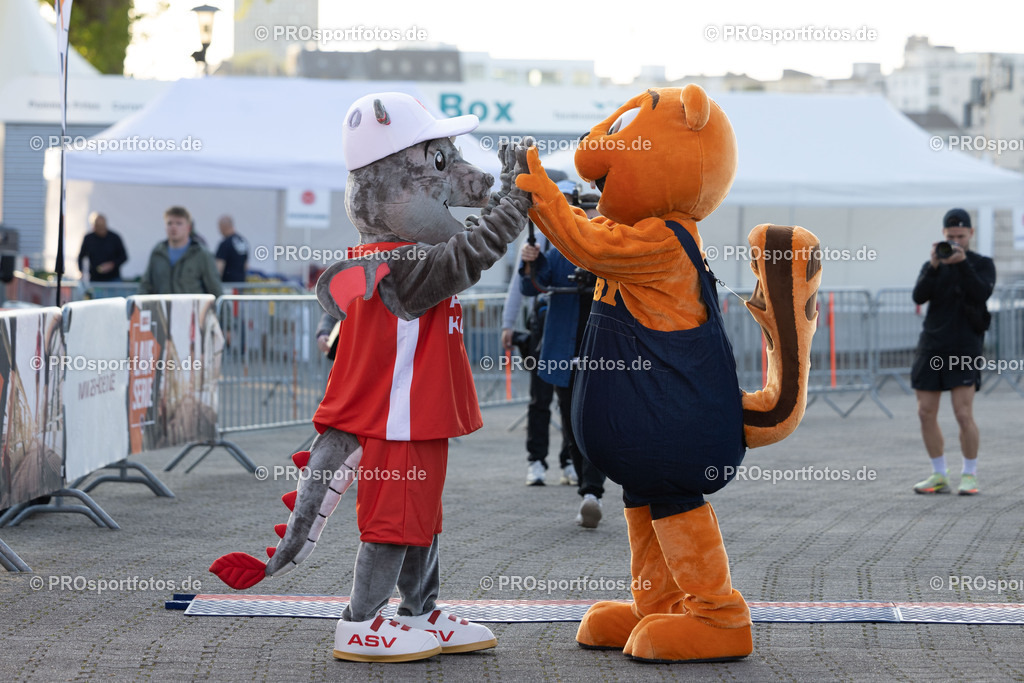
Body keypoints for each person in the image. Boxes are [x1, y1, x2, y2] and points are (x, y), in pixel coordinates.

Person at [520, 183, 607, 527]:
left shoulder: (613, 247)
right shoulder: (558, 249)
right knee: (573, 426)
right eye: (583, 211)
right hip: (561, 352)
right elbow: (531, 286)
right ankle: (588, 491)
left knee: (595, 425)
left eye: (594, 211)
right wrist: (532, 260)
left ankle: (593, 492)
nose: (589, 217)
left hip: (603, 357)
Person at [910, 208, 996, 495]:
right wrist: (935, 266)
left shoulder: (982, 264)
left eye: (960, 236)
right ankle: (938, 474)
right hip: (932, 344)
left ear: (971, 234)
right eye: (950, 237)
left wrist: (962, 265)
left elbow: (981, 292)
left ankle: (969, 474)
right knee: (925, 412)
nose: (955, 241)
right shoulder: (934, 263)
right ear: (942, 236)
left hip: (964, 346)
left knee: (962, 413)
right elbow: (919, 296)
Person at [502, 233, 577, 487]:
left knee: (571, 402)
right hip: (542, 329)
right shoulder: (539, 238)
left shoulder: (584, 229)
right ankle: (536, 461)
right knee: (540, 398)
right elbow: (518, 282)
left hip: (573, 327)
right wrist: (507, 323)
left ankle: (570, 461)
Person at [137, 206, 224, 296]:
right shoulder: (158, 252)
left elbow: (214, 287)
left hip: (192, 309)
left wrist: (223, 309)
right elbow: (146, 285)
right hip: (163, 309)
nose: (173, 227)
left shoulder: (201, 254)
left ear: (188, 228)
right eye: (169, 223)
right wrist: (137, 307)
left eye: (179, 223)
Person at [77, 212, 128, 281]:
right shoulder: (88, 238)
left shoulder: (114, 237)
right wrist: (81, 271)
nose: (101, 229)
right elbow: (81, 257)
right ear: (93, 226)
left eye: (103, 226)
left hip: (113, 278)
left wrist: (112, 264)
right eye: (98, 226)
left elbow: (124, 256)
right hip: (95, 279)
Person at [215, 215, 249, 284]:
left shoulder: (225, 243)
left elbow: (219, 267)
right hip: (241, 284)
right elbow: (246, 265)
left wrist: (215, 284)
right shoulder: (242, 241)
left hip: (228, 285)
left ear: (223, 227)